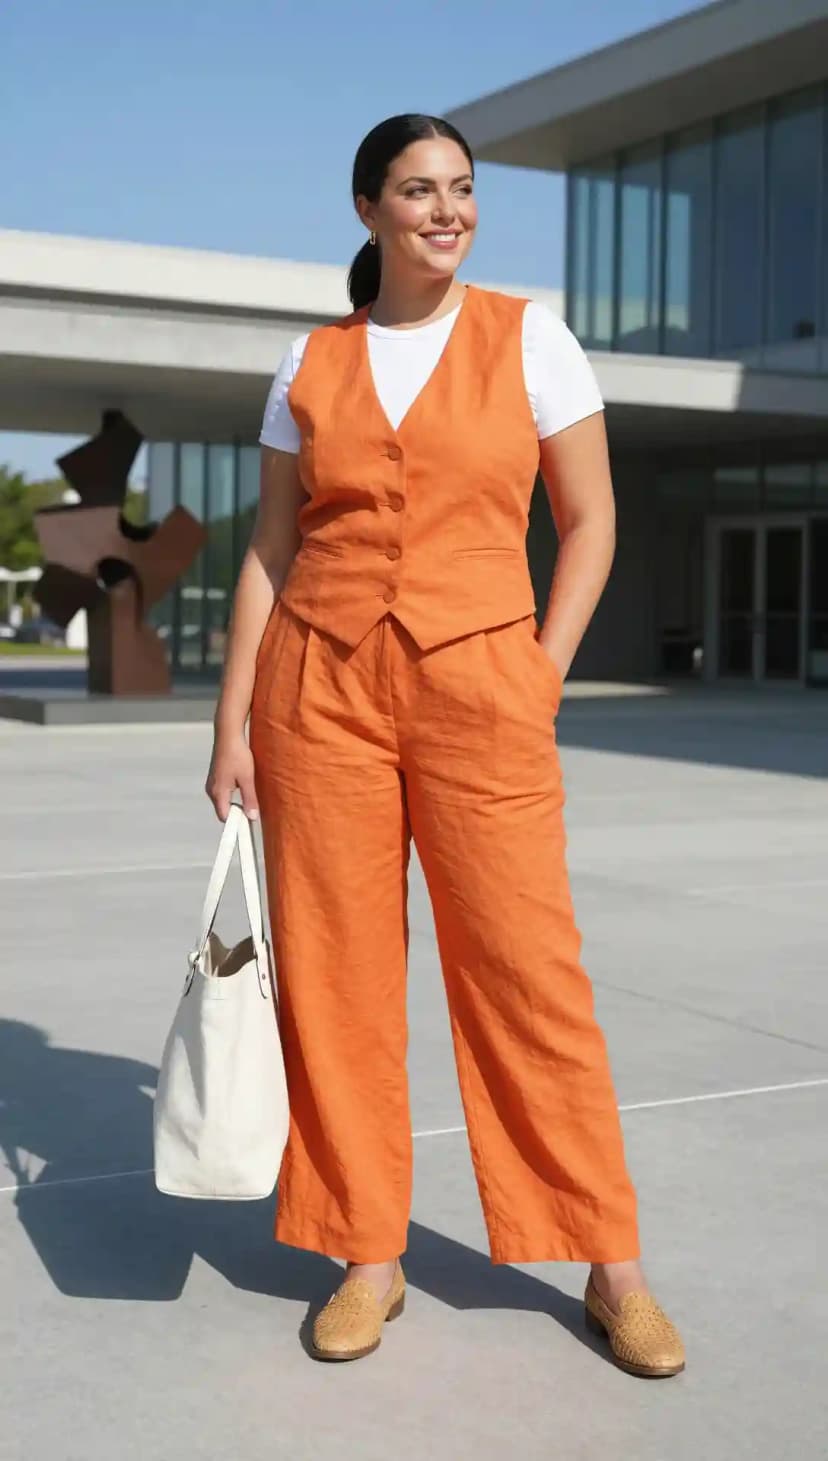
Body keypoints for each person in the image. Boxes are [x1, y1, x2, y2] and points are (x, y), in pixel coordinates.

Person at [206, 113, 685, 1378]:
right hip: (319, 692)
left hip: (483, 688)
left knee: (529, 970)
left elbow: (589, 521)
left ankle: (611, 1265)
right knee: (335, 981)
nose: (446, 211)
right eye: (418, 190)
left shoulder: (532, 338)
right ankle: (368, 1254)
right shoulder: (310, 361)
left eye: (462, 189)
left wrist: (540, 672)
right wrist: (230, 723)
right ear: (368, 209)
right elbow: (271, 549)